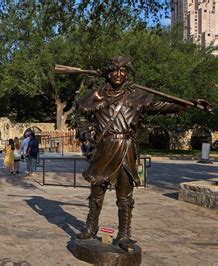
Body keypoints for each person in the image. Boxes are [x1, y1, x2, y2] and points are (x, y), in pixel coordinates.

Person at [74, 56, 210, 252]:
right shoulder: (95, 95)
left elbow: (161, 106)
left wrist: (187, 103)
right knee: (97, 191)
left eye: (123, 70)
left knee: (125, 196)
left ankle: (124, 235)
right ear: (107, 73)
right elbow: (81, 116)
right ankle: (90, 227)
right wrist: (86, 133)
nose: (119, 74)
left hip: (126, 148)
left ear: (127, 73)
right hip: (104, 148)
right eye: (114, 70)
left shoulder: (136, 96)